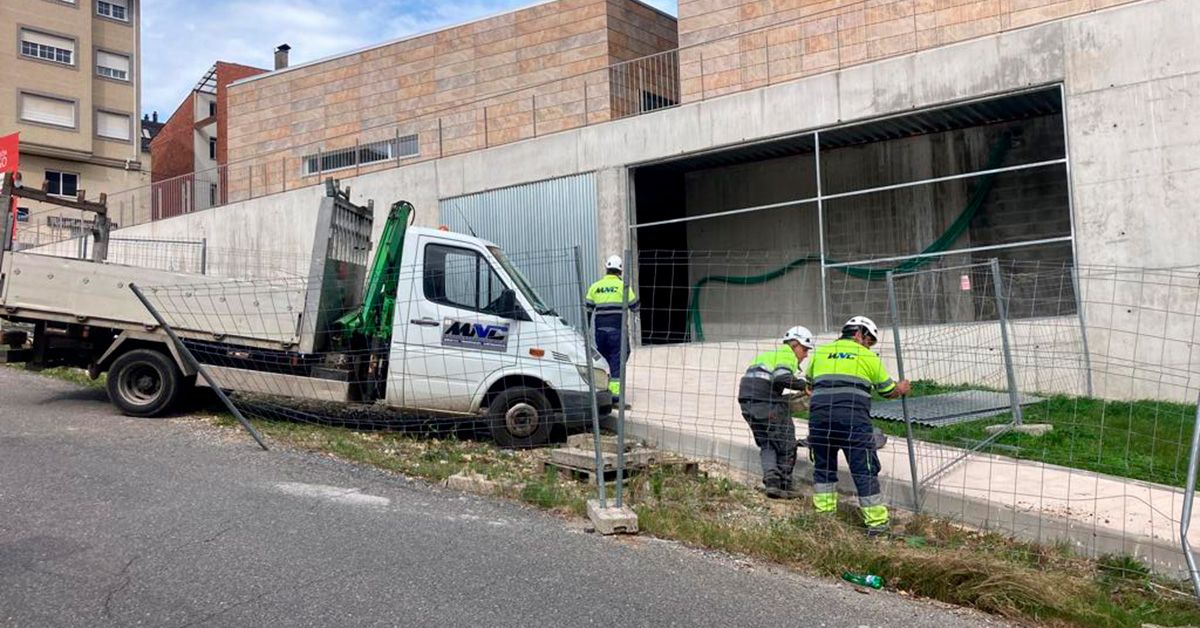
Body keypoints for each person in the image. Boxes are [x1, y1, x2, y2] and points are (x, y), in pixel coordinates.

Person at [806, 316, 910, 535]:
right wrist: (901, 388)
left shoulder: (821, 352)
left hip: (819, 419)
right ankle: (877, 525)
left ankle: (824, 520)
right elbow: (887, 390)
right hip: (852, 419)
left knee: (823, 467)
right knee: (864, 470)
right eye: (869, 340)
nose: (869, 345)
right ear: (858, 334)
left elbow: (809, 385)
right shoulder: (866, 356)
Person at [737, 326, 815, 499]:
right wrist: (805, 386)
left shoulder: (768, 355)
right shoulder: (787, 354)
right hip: (765, 402)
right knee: (787, 441)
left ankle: (772, 483)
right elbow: (781, 377)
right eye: (804, 349)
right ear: (795, 345)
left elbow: (771, 381)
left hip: (747, 403)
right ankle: (785, 485)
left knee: (768, 443)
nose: (806, 355)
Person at [585, 255, 638, 404]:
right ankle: (614, 396)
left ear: (607, 269)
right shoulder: (623, 286)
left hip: (600, 331)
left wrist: (586, 330)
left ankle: (604, 388)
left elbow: (588, 311)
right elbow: (635, 306)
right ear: (620, 271)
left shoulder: (595, 286)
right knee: (619, 359)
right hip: (617, 330)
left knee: (604, 360)